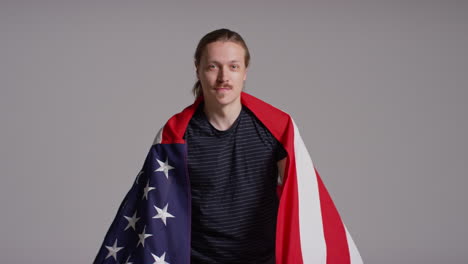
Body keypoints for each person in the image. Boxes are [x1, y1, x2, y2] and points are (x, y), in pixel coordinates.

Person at [93, 28, 363, 264]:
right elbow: (153, 209)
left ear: (245, 72)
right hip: (196, 260)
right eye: (213, 66)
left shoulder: (278, 128)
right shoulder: (175, 134)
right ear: (197, 69)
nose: (224, 76)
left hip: (261, 259)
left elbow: (300, 196)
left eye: (233, 66)